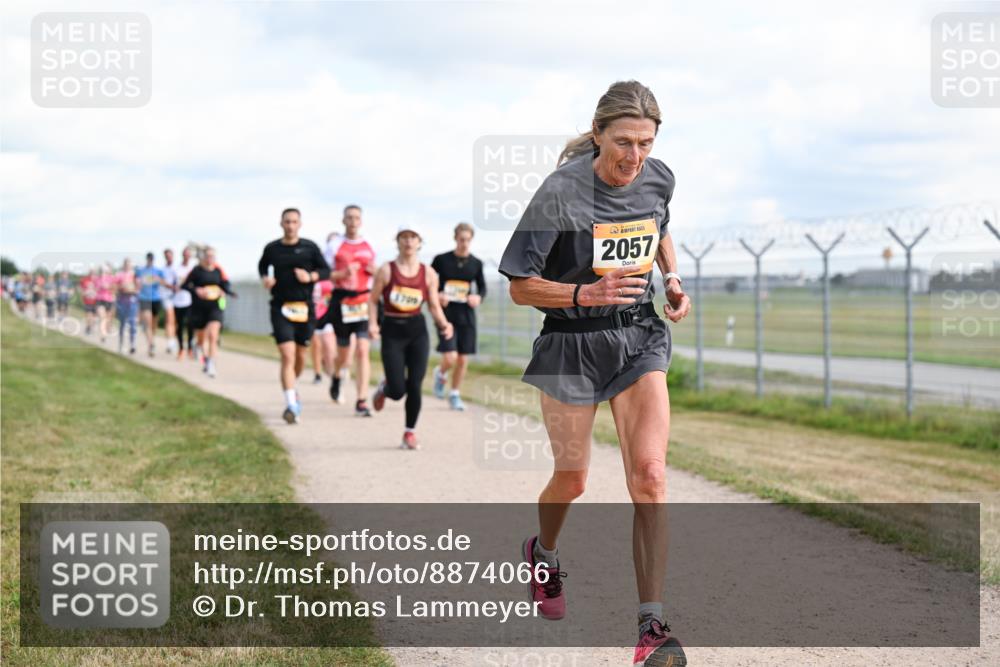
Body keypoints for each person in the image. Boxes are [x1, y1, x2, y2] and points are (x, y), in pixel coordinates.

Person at [497, 81, 691, 667]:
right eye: (624, 142)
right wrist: (587, 292)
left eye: (646, 143)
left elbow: (658, 228)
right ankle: (544, 552)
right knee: (573, 479)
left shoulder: (659, 177)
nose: (635, 157)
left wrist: (673, 279)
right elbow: (519, 286)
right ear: (598, 134)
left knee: (651, 476)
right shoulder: (558, 192)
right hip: (571, 344)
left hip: (637, 337)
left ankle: (651, 627)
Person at [368, 225, 453, 450]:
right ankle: (385, 388)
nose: (408, 241)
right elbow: (373, 300)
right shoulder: (386, 270)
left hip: (417, 331)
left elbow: (434, 305)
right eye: (404, 237)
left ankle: (409, 432)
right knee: (398, 391)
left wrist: (444, 325)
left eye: (412, 237)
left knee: (415, 384)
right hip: (392, 330)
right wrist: (372, 324)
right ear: (397, 241)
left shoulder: (428, 273)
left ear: (419, 242)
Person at [257, 208, 331, 423]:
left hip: (305, 308)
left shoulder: (309, 247)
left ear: (300, 224)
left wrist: (310, 276)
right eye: (287, 222)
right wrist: (265, 278)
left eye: (294, 222)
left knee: (300, 356)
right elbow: (262, 265)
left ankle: (292, 387)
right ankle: (291, 403)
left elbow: (325, 271)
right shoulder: (272, 248)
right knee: (287, 355)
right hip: (280, 307)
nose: (290, 225)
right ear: (281, 223)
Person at [324, 205, 377, 416]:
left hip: (364, 299)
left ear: (361, 221)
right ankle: (337, 376)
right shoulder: (335, 245)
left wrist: (375, 271)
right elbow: (325, 274)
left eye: (356, 218)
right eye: (349, 218)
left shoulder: (370, 244)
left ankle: (362, 401)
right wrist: (342, 273)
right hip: (343, 301)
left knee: (363, 350)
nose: (353, 221)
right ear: (343, 220)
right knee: (345, 355)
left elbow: (377, 270)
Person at [431, 222, 487, 411]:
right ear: (455, 238)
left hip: (466, 315)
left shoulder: (476, 263)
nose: (464, 243)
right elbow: (429, 282)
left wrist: (478, 297)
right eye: (461, 239)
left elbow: (482, 287)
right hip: (446, 315)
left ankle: (454, 393)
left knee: (463, 359)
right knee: (450, 357)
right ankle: (440, 372)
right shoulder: (441, 260)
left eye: (468, 240)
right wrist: (438, 294)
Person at [182, 246, 234, 378]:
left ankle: (211, 363)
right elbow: (186, 285)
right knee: (202, 337)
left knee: (213, 335)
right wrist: (197, 290)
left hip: (215, 306)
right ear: (203, 257)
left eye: (213, 256)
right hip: (199, 308)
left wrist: (225, 291)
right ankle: (203, 354)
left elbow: (226, 284)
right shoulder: (196, 270)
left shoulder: (218, 270)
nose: (210, 259)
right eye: (208, 256)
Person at [136, 252, 169, 357]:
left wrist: (158, 280)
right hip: (144, 298)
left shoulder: (158, 271)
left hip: (155, 298)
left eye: (151, 259)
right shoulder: (140, 271)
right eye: (149, 258)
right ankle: (151, 344)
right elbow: (136, 282)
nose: (150, 260)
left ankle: (151, 339)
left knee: (153, 324)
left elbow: (165, 283)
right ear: (147, 259)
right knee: (148, 322)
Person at [172, 246, 196, 359]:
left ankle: (190, 348)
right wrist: (174, 287)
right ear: (182, 255)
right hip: (178, 301)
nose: (187, 257)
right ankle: (181, 348)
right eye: (185, 254)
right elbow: (171, 284)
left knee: (190, 325)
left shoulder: (193, 269)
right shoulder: (176, 269)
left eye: (188, 255)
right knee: (180, 325)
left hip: (190, 301)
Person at [114, 258, 139, 354]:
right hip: (122, 301)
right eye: (126, 264)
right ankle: (121, 344)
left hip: (132, 301)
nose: (128, 266)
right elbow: (114, 287)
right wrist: (122, 287)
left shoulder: (135, 275)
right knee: (122, 324)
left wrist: (132, 290)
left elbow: (138, 288)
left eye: (129, 264)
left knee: (132, 323)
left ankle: (132, 344)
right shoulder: (119, 275)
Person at [161, 248, 179, 355]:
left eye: (170, 255)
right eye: (166, 256)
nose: (169, 257)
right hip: (167, 296)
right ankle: (170, 342)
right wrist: (170, 286)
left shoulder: (177, 268)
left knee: (175, 320)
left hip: (178, 297)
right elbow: (160, 281)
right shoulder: (162, 270)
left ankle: (173, 338)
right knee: (170, 317)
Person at [95, 263, 116, 343]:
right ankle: (103, 335)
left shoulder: (112, 278)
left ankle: (105, 331)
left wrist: (109, 287)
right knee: (102, 317)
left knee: (108, 319)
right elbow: (97, 288)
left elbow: (115, 288)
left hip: (110, 300)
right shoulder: (98, 278)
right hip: (100, 300)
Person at [79, 267, 99, 335]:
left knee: (94, 316)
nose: (92, 274)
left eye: (94, 273)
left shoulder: (97, 280)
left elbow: (100, 289)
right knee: (88, 315)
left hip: (96, 301)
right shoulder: (85, 280)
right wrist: (83, 293)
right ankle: (88, 327)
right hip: (87, 300)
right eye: (91, 272)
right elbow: (80, 288)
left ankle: (90, 326)